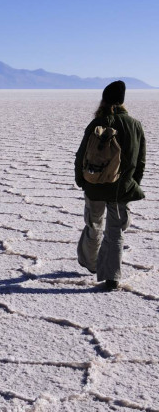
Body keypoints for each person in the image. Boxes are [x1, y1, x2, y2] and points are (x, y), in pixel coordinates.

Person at [75, 80, 146, 291]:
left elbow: (81, 155)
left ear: (104, 100)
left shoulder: (98, 122)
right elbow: (140, 160)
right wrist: (133, 183)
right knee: (115, 232)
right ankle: (112, 277)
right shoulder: (134, 125)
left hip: (94, 184)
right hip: (121, 189)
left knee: (93, 223)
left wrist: (81, 179)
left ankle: (90, 262)